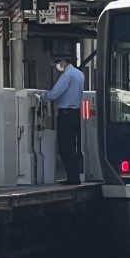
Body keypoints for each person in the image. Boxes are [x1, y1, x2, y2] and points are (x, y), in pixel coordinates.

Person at [42, 54, 85, 185]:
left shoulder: (67, 75)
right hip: (76, 112)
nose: (57, 65)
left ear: (63, 62)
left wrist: (42, 96)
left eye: (58, 62)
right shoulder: (80, 74)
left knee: (65, 146)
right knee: (73, 145)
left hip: (66, 113)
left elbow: (55, 93)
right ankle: (76, 175)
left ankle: (72, 178)